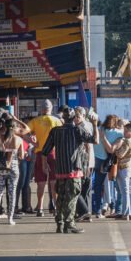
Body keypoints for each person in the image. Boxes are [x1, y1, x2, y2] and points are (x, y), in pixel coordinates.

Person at [40, 105, 99, 234]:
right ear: (73, 118)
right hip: (73, 170)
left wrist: (45, 164)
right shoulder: (77, 130)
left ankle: (60, 224)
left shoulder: (55, 131)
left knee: (61, 198)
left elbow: (44, 151)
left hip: (60, 170)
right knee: (72, 198)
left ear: (63, 118)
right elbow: (95, 140)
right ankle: (69, 223)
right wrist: (94, 124)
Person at [29, 100, 62, 217]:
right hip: (53, 153)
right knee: (53, 182)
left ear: (41, 109)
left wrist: (31, 141)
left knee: (41, 183)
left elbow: (24, 132)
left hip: (40, 153)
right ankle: (56, 207)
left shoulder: (35, 121)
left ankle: (40, 208)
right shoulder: (57, 121)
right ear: (51, 109)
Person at [0, 116, 25, 225]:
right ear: (14, 128)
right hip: (14, 168)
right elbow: (22, 156)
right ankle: (10, 218)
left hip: (1, 167)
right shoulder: (19, 139)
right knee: (12, 193)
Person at [107, 121, 131, 221]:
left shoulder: (127, 141)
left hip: (124, 168)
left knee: (124, 192)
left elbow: (120, 154)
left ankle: (125, 213)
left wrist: (116, 150)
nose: (124, 133)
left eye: (126, 131)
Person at [93, 115, 123, 218]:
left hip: (96, 158)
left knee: (98, 185)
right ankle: (113, 207)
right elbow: (111, 150)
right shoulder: (119, 134)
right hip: (109, 162)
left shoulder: (99, 129)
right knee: (113, 185)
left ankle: (97, 209)